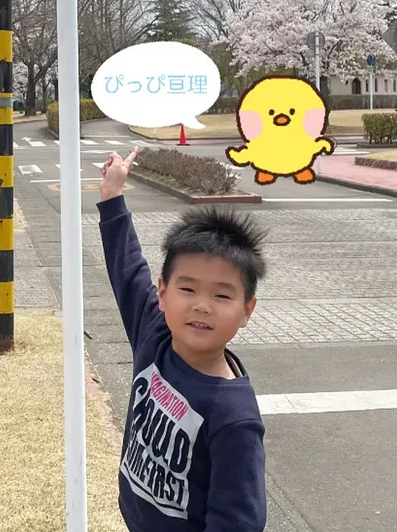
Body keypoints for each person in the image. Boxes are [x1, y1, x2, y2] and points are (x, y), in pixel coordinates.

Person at [97, 147, 267, 531]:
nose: (202, 306)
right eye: (188, 289)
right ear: (163, 294)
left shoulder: (233, 418)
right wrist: (112, 199)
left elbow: (238, 521)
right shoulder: (154, 335)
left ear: (246, 311)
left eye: (222, 295)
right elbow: (128, 272)